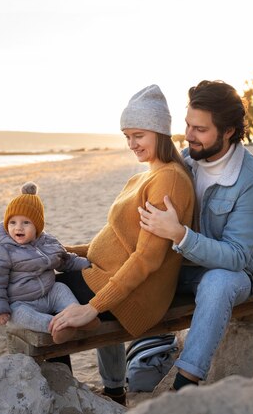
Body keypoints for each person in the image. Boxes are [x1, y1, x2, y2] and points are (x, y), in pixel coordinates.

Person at [48, 84, 195, 405]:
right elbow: (119, 239)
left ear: (159, 131)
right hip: (102, 271)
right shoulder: (146, 175)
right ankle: (113, 390)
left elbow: (147, 258)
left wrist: (92, 307)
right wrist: (71, 252)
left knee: (43, 292)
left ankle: (62, 400)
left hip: (135, 296)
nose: (131, 144)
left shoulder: (168, 180)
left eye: (138, 135)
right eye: (127, 136)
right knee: (46, 276)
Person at [138, 80, 253, 390]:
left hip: (234, 275)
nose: (188, 135)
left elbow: (237, 256)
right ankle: (115, 385)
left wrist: (180, 235)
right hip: (179, 268)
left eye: (200, 129)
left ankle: (185, 385)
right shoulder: (185, 161)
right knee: (112, 268)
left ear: (227, 132)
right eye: (187, 125)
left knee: (219, 281)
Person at [0, 182, 98, 344]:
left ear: (37, 226)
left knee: (61, 288)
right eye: (12, 222)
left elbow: (65, 260)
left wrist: (86, 264)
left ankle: (76, 314)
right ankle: (56, 327)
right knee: (18, 315)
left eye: (26, 222)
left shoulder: (47, 242)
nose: (18, 228)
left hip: (48, 294)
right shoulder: (3, 248)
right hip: (21, 301)